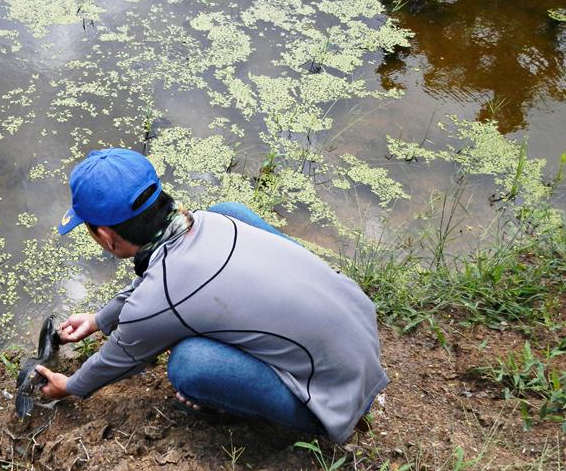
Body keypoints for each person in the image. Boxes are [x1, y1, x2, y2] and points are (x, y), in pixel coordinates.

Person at [35, 148, 388, 443]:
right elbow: (158, 288)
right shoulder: (207, 222)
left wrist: (70, 386)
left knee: (190, 365)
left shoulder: (162, 296)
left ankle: (305, 419)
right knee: (231, 210)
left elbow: (119, 357)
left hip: (335, 398)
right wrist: (99, 320)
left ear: (107, 237)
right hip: (358, 325)